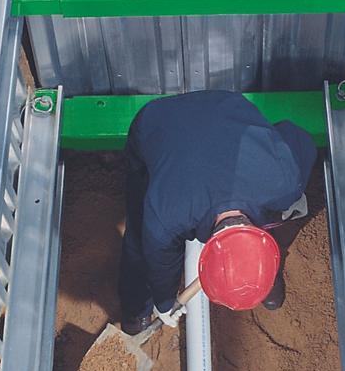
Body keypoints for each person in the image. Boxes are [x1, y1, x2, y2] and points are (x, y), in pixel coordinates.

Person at [119, 90, 317, 335]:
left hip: (227, 106)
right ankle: (136, 309)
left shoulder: (286, 180)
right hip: (158, 120)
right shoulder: (166, 216)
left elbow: (299, 139)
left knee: (286, 210)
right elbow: (160, 264)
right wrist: (164, 302)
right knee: (139, 241)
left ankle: (262, 268)